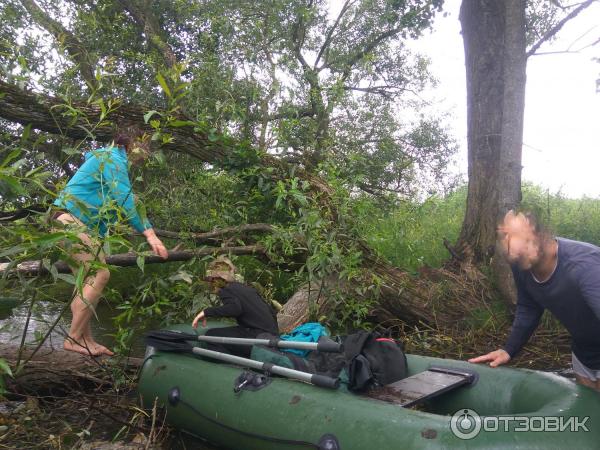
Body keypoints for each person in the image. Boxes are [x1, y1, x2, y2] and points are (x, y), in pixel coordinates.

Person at [53, 125, 168, 356]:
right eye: (144, 147)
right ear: (130, 145)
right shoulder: (113, 158)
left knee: (86, 281)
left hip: (67, 223)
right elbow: (125, 199)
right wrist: (150, 234)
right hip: (70, 222)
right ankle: (72, 338)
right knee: (100, 274)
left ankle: (86, 340)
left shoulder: (107, 159)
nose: (145, 155)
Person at [469, 210, 600, 392]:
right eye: (506, 236)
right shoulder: (521, 263)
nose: (514, 246)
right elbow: (529, 306)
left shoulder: (585, 265)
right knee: (590, 413)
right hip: (584, 356)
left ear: (540, 232)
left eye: (520, 236)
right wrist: (509, 349)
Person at [192, 257, 279, 357]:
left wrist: (206, 312)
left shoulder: (225, 289)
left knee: (211, 335)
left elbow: (234, 309)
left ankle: (228, 366)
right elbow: (271, 312)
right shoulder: (246, 288)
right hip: (272, 336)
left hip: (259, 337)